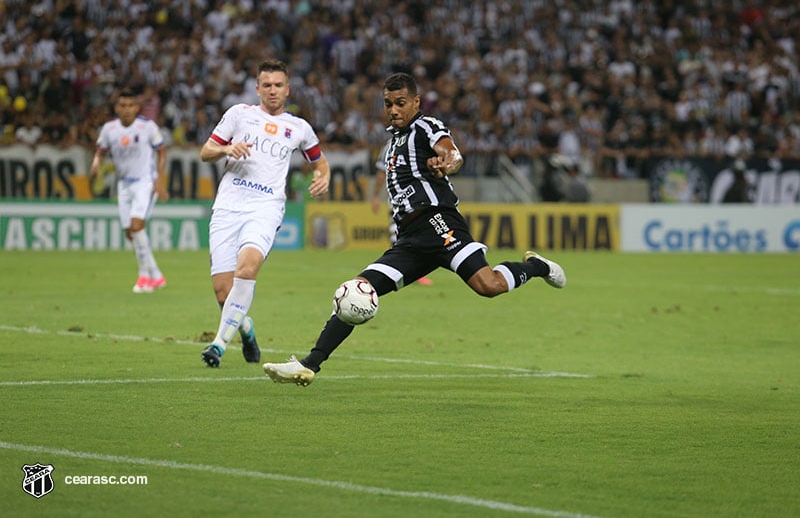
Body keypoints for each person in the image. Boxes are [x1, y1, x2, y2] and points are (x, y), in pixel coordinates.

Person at [263, 72, 566, 386]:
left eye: (401, 103)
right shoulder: (393, 141)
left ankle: (537, 266)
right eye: (388, 104)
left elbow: (452, 153)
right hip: (410, 240)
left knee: (488, 285)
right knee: (358, 290)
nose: (393, 110)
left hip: (438, 222)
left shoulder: (425, 126)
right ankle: (309, 365)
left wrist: (446, 163)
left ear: (416, 102)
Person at [199, 58, 331, 368]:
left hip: (266, 207)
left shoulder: (299, 128)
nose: (273, 90)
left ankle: (218, 345)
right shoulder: (238, 115)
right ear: (258, 89)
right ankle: (246, 328)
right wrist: (225, 149)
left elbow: (320, 162)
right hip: (228, 206)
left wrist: (323, 176)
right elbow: (206, 152)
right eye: (267, 85)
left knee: (246, 270)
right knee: (223, 293)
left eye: (278, 85)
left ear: (288, 90)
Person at [90, 88, 168, 293]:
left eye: (130, 105)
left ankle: (144, 277)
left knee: (136, 225)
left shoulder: (147, 127)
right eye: (122, 105)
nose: (126, 109)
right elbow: (101, 150)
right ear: (116, 108)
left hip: (145, 182)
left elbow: (162, 151)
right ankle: (156, 275)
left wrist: (160, 180)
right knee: (130, 233)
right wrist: (96, 162)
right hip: (123, 184)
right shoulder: (109, 129)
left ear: (137, 108)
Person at [371, 140, 432, 285]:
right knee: (399, 235)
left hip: (417, 198)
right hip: (402, 199)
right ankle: (404, 271)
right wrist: (375, 196)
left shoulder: (419, 139)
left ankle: (406, 271)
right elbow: (382, 172)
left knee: (413, 235)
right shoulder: (391, 145)